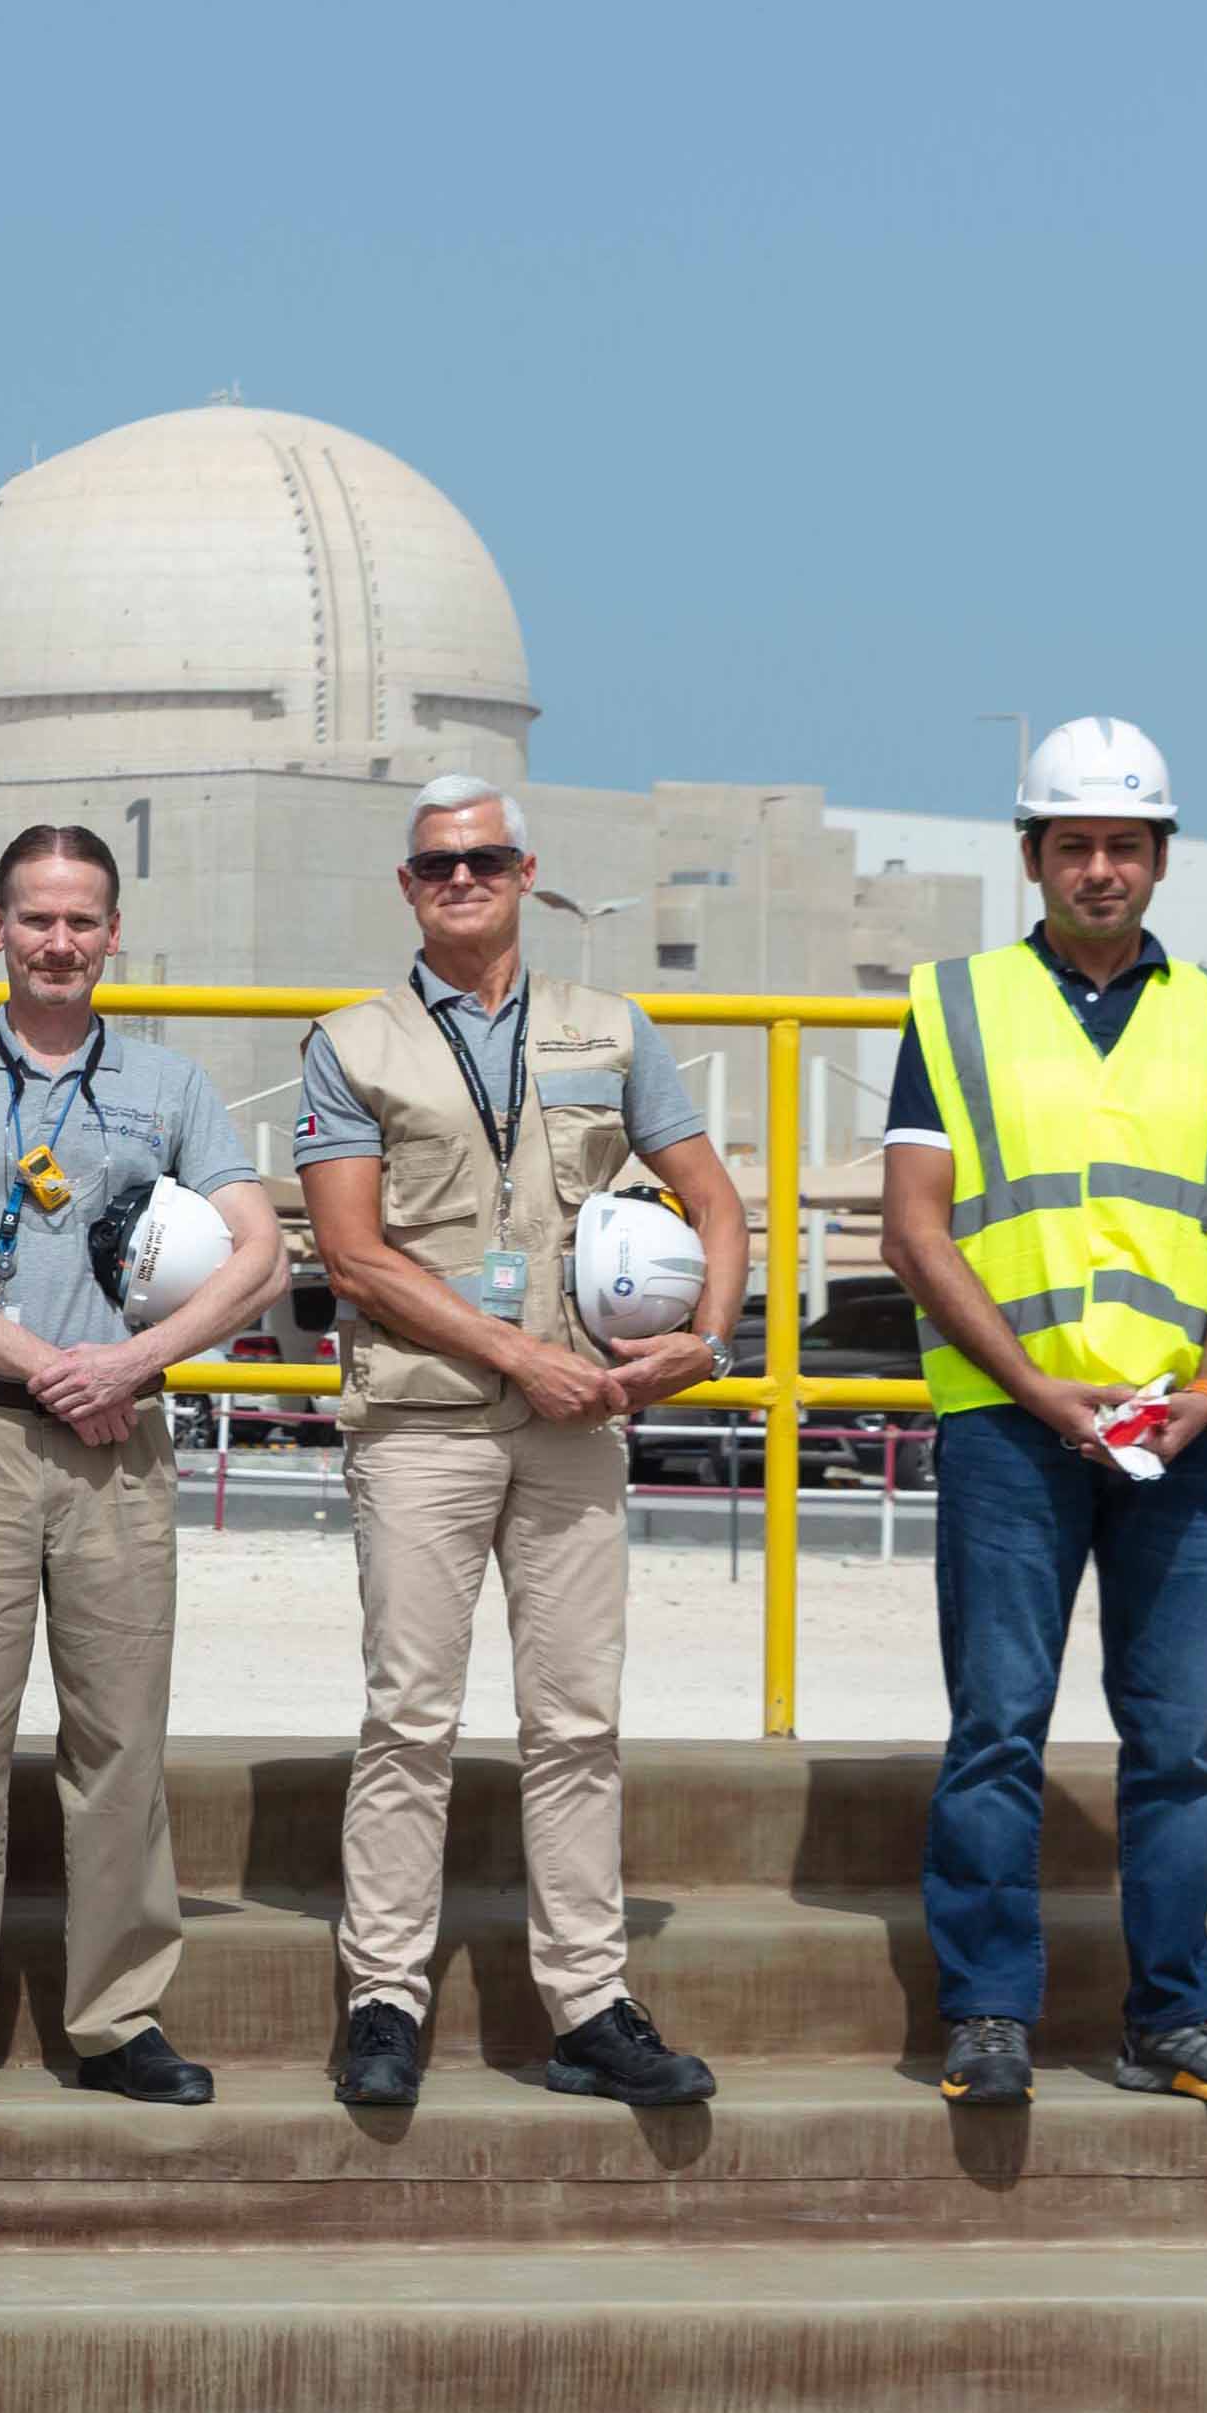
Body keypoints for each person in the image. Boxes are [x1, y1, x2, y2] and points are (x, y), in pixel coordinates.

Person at [882, 717, 1207, 2110]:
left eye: (1126, 843)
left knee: (1176, 1738)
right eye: (1075, 843)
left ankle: (1174, 2016)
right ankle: (990, 2011)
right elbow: (916, 1228)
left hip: (1184, 1431)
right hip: (1016, 1426)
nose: (1102, 867)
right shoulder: (954, 1004)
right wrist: (1031, 1384)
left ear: (1163, 856)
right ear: (1032, 855)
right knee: (999, 1724)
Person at [297, 776, 742, 2110]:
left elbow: (715, 1198)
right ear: (408, 885)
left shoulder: (611, 1028)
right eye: (438, 865)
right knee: (410, 1715)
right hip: (429, 1422)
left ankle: (591, 2003)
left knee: (575, 1719)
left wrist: (706, 1337)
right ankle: (385, 1996)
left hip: (575, 1431)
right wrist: (520, 1356)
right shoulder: (354, 1040)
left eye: (485, 858)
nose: (463, 878)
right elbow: (356, 1253)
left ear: (528, 871)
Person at [0, 826, 281, 2106]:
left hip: (117, 1441)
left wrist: (134, 1362)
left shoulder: (169, 1085)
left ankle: (114, 2020)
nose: (58, 944)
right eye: (35, 920)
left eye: (81, 922)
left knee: (116, 1739)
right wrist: (54, 1366)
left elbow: (259, 1256)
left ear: (111, 935)